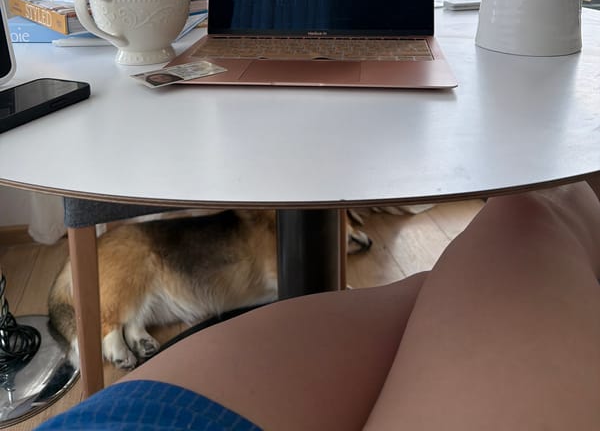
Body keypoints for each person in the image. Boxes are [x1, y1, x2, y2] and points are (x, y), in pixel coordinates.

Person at [36, 180, 600, 430]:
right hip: (144, 408)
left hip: (123, 419)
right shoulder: (251, 229)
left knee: (432, 291)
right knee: (535, 211)